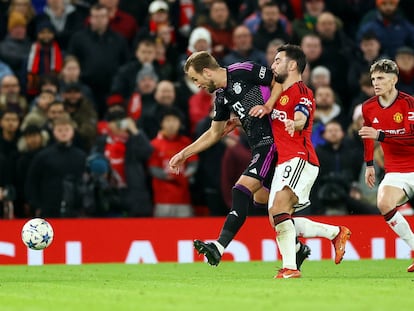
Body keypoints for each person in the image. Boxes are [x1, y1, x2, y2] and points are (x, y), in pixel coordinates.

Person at [169, 51, 347, 271]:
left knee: (241, 190)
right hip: (260, 147)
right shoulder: (222, 98)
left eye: (196, 79)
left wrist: (268, 106)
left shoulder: (242, 71)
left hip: (270, 143)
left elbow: (278, 82)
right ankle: (308, 244)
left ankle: (219, 246)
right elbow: (215, 133)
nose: (197, 85)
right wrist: (184, 154)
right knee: (270, 210)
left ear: (207, 71)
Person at [249, 44, 351, 278]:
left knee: (278, 209)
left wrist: (293, 123)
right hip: (282, 162)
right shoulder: (276, 93)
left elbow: (301, 119)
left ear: (292, 65)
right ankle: (334, 233)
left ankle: (290, 268)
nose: (272, 64)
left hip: (300, 158)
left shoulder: (302, 91)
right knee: (277, 219)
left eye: (277, 60)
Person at [358, 58, 414, 273]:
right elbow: (367, 135)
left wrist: (381, 135)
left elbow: (411, 136)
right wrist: (370, 164)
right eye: (373, 79)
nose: (376, 83)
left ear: (394, 80)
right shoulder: (368, 107)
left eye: (381, 78)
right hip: (396, 171)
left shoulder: (408, 103)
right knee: (384, 204)